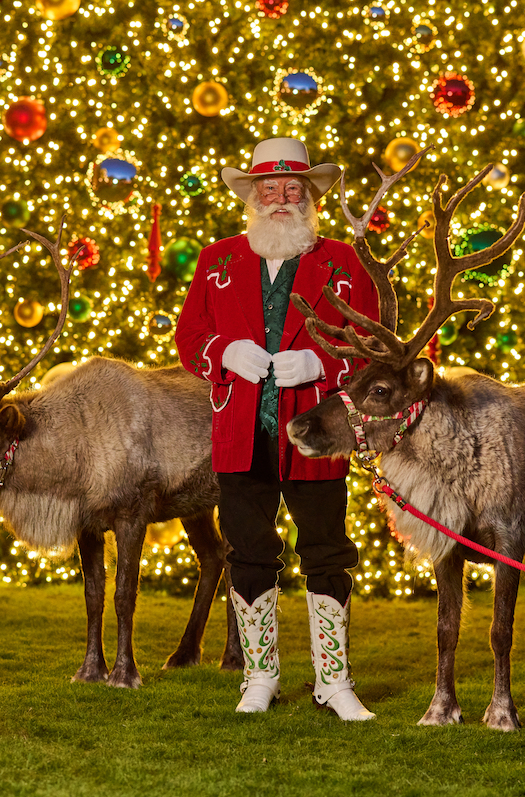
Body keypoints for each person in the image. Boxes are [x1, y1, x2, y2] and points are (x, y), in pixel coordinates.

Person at [175, 138, 380, 721]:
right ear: (254, 198)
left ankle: (333, 682)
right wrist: (223, 354)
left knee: (326, 551)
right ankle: (260, 677)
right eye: (271, 190)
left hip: (314, 433)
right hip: (239, 433)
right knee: (249, 552)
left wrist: (325, 365)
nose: (282, 199)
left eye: (294, 190)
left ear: (310, 196)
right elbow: (189, 340)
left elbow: (370, 348)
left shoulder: (343, 262)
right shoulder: (216, 260)